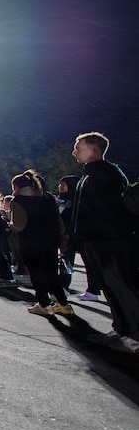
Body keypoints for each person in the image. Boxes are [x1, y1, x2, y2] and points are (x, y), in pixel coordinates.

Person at [70, 132, 139, 353]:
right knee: (109, 287)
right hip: (94, 240)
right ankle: (121, 328)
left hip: (108, 241)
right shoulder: (90, 174)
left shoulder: (108, 173)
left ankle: (135, 334)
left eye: (78, 147)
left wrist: (100, 234)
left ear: (95, 149)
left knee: (120, 285)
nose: (74, 151)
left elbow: (110, 211)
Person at [10, 170, 72, 315]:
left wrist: (10, 224)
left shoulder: (18, 200)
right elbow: (58, 221)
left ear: (17, 186)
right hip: (50, 240)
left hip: (30, 241)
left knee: (36, 273)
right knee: (51, 272)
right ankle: (63, 303)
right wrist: (62, 240)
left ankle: (44, 304)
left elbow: (19, 225)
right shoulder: (47, 197)